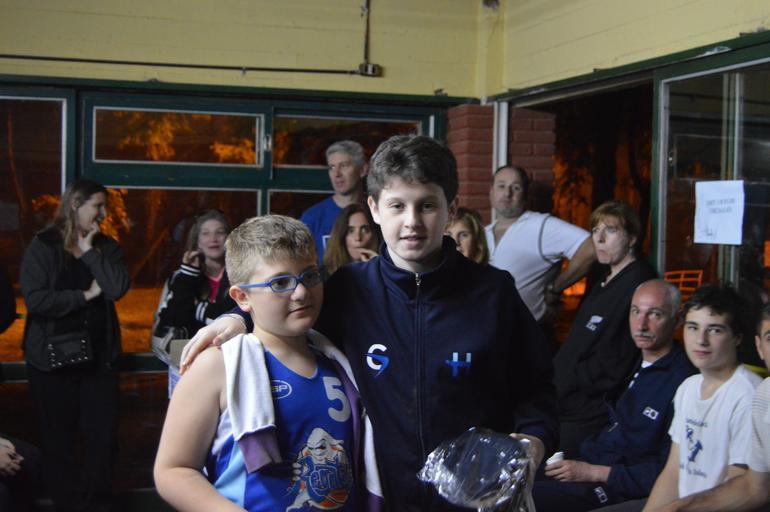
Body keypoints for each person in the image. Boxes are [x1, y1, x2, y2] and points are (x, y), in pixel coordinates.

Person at [180, 135, 558, 511]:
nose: (412, 222)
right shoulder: (349, 289)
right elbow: (285, 310)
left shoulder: (493, 292)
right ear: (375, 208)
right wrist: (238, 318)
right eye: (397, 206)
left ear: (452, 208)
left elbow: (537, 387)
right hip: (382, 501)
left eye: (427, 205)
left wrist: (534, 441)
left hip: (478, 501)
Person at [154, 215, 381, 511]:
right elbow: (173, 470)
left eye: (310, 276)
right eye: (280, 283)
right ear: (242, 297)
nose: (301, 292)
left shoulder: (339, 362)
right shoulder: (219, 365)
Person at [533, 279, 696, 512]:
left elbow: (669, 472)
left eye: (655, 314)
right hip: (589, 461)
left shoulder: (684, 382)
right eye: (636, 312)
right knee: (510, 480)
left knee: (526, 498)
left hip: (615, 484)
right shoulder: (629, 360)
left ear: (677, 320)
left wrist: (592, 472)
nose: (641, 324)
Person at [20, 179, 130, 511]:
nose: (103, 213)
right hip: (50, 363)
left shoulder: (105, 247)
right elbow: (36, 300)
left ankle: (96, 505)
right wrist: (84, 296)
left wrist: (89, 252)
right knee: (58, 443)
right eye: (97, 205)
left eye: (104, 206)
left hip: (98, 362)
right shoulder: (44, 245)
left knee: (103, 441)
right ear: (75, 205)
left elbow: (116, 288)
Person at [642, 284, 763, 511]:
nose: (701, 340)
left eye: (715, 330)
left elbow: (740, 487)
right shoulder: (688, 388)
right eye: (693, 327)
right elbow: (673, 472)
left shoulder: (748, 395)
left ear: (737, 338)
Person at [554, 200, 658, 457]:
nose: (599, 239)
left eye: (610, 230)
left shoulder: (639, 283)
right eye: (595, 230)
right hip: (565, 401)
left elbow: (620, 353)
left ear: (632, 238)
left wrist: (578, 381)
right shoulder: (606, 278)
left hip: (588, 411)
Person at [486, 165, 596, 323]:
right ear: (491, 192)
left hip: (527, 332)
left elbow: (591, 248)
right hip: (486, 331)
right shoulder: (482, 233)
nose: (507, 193)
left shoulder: (541, 225)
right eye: (501, 186)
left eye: (515, 187)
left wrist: (555, 288)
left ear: (525, 195)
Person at [154, 209, 236, 340]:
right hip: (189, 349)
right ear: (197, 241)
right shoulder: (181, 276)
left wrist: (197, 310)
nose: (213, 239)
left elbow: (238, 317)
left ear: (229, 238)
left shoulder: (242, 275)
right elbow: (172, 319)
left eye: (220, 232)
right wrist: (188, 276)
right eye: (205, 233)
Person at [301, 140, 369, 262]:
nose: (337, 174)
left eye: (344, 165)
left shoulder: (377, 213)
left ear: (363, 170)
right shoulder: (312, 218)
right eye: (332, 167)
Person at [323, 203, 380, 275]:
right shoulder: (324, 275)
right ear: (341, 235)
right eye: (351, 231)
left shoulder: (385, 270)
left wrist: (378, 269)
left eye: (365, 230)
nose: (358, 238)